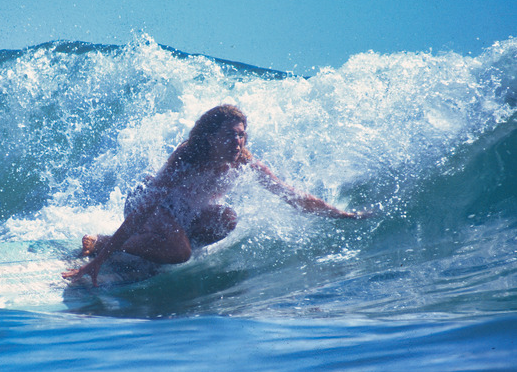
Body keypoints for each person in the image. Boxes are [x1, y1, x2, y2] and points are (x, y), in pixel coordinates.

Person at [62, 104, 368, 286]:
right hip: (150, 204)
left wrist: (341, 214)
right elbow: (144, 208)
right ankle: (108, 243)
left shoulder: (243, 162)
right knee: (180, 254)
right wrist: (98, 261)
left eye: (241, 134)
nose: (238, 140)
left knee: (226, 218)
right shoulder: (186, 157)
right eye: (230, 134)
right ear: (209, 137)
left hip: (184, 214)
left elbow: (292, 196)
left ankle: (162, 246)